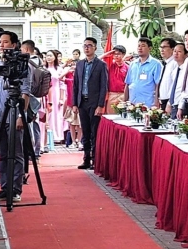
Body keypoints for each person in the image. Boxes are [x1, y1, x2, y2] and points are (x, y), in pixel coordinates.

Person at [0, 32, 33, 200]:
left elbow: (25, 92)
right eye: (0, 42)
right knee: (1, 152)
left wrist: (20, 115)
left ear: (14, 45)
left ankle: (16, 189)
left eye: (6, 42)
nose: (2, 45)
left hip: (14, 115)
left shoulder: (23, 66)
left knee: (16, 152)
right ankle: (5, 187)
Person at [72, 37, 108, 170]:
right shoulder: (80, 64)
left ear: (95, 48)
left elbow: (104, 86)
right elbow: (76, 85)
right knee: (85, 132)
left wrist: (100, 105)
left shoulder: (101, 65)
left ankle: (96, 160)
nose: (87, 48)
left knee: (95, 133)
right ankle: (86, 159)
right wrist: (74, 103)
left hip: (94, 103)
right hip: (82, 102)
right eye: (85, 45)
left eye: (90, 46)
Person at [124, 38, 164, 108]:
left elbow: (158, 85)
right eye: (138, 46)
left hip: (148, 104)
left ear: (150, 48)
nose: (140, 48)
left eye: (143, 46)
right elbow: (128, 83)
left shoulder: (156, 64)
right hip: (132, 103)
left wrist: (156, 103)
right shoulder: (133, 64)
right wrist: (124, 101)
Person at [43, 51, 68, 152]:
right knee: (47, 115)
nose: (48, 58)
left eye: (50, 56)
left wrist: (62, 98)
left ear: (55, 57)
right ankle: (47, 137)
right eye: (47, 56)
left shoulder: (59, 69)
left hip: (56, 93)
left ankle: (57, 136)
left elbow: (62, 84)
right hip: (46, 94)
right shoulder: (44, 69)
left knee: (57, 115)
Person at [167, 43, 188, 120]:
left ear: (186, 55)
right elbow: (172, 88)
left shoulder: (187, 70)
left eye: (179, 51)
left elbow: (185, 90)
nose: (176, 54)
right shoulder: (175, 69)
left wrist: (181, 106)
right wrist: (169, 103)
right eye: (174, 51)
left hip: (182, 105)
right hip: (174, 104)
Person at [156, 38, 179, 112]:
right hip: (162, 100)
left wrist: (170, 102)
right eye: (161, 47)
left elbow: (175, 84)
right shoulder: (166, 64)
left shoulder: (175, 63)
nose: (162, 50)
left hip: (169, 101)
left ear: (172, 49)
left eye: (164, 47)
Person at [104, 46, 128, 112]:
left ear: (123, 54)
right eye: (114, 54)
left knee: (122, 116)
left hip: (123, 95)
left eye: (118, 54)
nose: (116, 56)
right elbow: (96, 61)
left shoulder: (127, 67)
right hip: (111, 94)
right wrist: (108, 54)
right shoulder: (109, 65)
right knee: (110, 116)